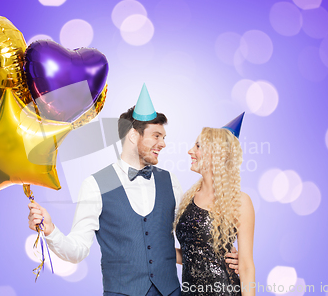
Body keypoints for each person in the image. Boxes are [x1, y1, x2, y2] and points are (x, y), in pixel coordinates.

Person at [28, 84, 239, 296]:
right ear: (132, 135)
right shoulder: (95, 185)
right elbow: (77, 251)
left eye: (164, 137)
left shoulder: (170, 181)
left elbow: (191, 240)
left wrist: (225, 258)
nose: (163, 143)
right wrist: (51, 230)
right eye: (156, 136)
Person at [175, 114, 255, 296]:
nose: (190, 151)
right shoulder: (189, 198)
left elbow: (246, 267)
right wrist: (153, 251)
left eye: (198, 146)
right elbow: (190, 254)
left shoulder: (240, 202)